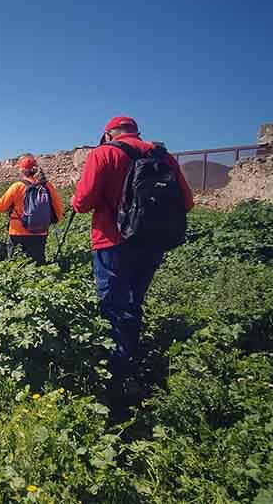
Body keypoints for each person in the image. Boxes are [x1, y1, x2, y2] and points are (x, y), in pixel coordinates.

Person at [72, 116, 194, 413]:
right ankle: (131, 359)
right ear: (137, 132)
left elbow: (84, 201)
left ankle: (117, 375)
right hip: (152, 242)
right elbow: (187, 202)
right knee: (133, 303)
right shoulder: (162, 156)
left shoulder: (104, 153)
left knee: (113, 307)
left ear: (108, 133)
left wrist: (80, 202)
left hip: (112, 242)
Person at [0, 155, 64, 264]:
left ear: (22, 170)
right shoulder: (47, 186)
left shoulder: (18, 186)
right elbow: (59, 209)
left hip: (18, 233)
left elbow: (0, 207)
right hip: (40, 233)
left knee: (16, 267)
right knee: (38, 266)